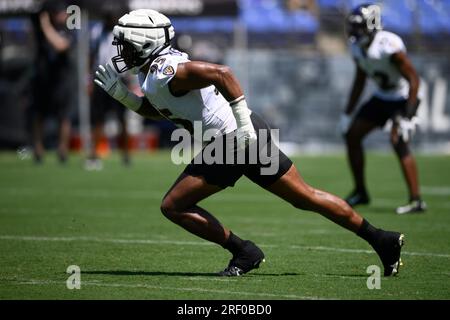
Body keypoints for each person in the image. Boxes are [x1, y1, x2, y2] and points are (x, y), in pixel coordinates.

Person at [94, 9, 404, 277]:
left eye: (128, 46)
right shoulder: (156, 73)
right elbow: (163, 108)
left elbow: (223, 74)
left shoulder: (167, 70)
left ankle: (244, 251)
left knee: (173, 206)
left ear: (147, 44)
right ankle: (382, 239)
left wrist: (242, 127)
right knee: (305, 197)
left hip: (233, 142)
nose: (123, 53)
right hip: (242, 136)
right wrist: (124, 97)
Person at [340, 4, 426, 215]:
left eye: (358, 27)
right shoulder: (357, 47)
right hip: (381, 97)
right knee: (352, 136)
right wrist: (347, 113)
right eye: (353, 28)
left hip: (402, 97)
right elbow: (359, 81)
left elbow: (414, 80)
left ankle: (416, 200)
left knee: (398, 142)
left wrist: (409, 114)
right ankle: (361, 192)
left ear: (371, 25)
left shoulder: (388, 44)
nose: (354, 33)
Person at [86, 9, 131, 171]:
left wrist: (130, 78)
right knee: (98, 119)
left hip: (120, 78)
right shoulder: (97, 31)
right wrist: (89, 80)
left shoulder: (123, 31)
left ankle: (126, 154)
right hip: (101, 77)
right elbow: (91, 56)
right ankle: (95, 154)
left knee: (122, 119)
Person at [31, 0, 74, 164]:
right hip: (43, 77)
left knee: (64, 116)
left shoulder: (66, 30)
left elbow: (60, 45)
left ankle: (62, 150)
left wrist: (46, 26)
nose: (63, 15)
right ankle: (38, 149)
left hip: (61, 79)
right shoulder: (40, 30)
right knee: (39, 113)